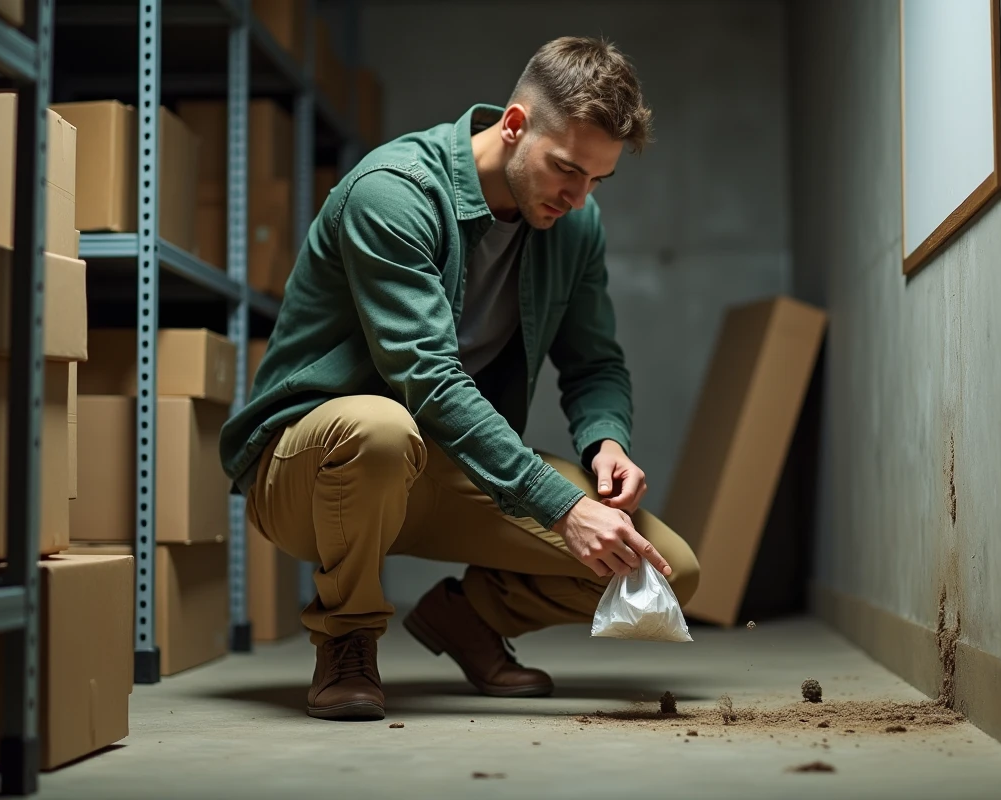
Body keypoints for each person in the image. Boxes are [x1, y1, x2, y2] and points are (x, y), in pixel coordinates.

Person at [219, 36, 701, 722]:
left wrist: (606, 444)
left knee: (667, 568)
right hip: (314, 465)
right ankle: (348, 638)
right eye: (567, 169)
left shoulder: (575, 223)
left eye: (598, 180)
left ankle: (466, 619)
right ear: (512, 125)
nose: (580, 196)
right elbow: (428, 379)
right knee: (380, 428)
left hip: (443, 465)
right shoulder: (393, 194)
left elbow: (594, 362)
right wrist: (564, 509)